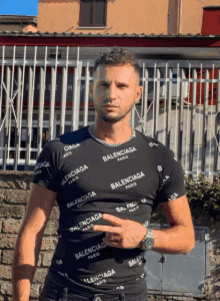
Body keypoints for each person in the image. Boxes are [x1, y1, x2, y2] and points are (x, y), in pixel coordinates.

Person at [12, 48, 195, 301]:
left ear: (137, 93)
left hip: (128, 295)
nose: (111, 94)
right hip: (64, 294)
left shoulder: (159, 158)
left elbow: (186, 237)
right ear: (91, 91)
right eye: (103, 85)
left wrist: (145, 236)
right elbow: (31, 232)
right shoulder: (60, 151)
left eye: (122, 86)